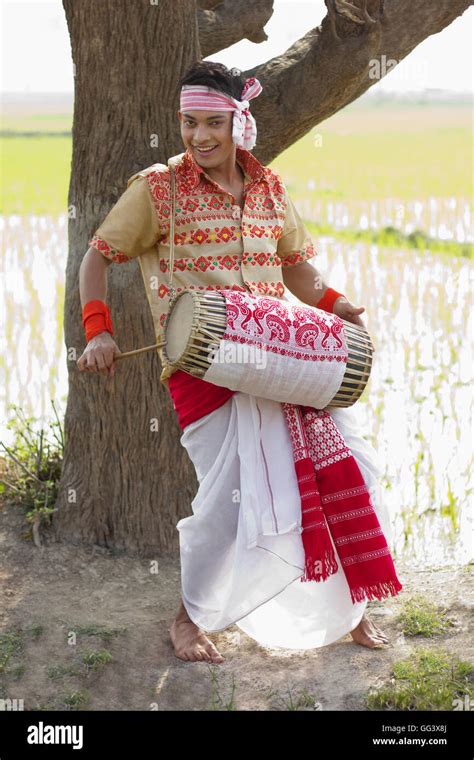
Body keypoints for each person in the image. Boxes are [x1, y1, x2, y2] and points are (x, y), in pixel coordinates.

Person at [77, 61, 402, 664]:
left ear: (238, 122)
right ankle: (189, 616)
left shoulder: (271, 189)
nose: (199, 136)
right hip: (203, 371)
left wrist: (338, 304)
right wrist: (98, 331)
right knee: (227, 500)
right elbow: (96, 259)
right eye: (188, 122)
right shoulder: (157, 189)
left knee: (345, 468)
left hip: (283, 361)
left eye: (212, 123)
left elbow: (299, 270)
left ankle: (348, 609)